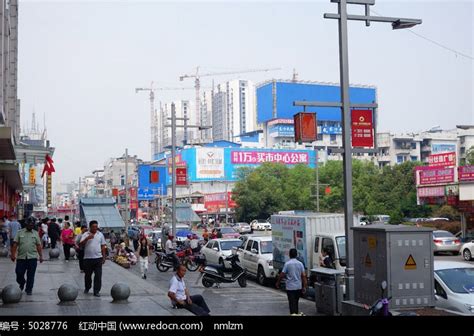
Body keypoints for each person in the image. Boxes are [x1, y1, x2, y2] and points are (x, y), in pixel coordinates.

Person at [10, 217, 43, 295]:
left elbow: (38, 245)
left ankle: (29, 289)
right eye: (29, 224)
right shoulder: (20, 232)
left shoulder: (35, 233)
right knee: (18, 272)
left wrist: (41, 256)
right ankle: (22, 282)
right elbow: (15, 244)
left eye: (32, 225)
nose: (31, 226)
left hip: (32, 258)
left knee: (31, 275)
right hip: (21, 257)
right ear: (26, 224)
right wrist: (13, 254)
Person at [275, 248, 308, 316]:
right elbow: (304, 276)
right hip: (298, 287)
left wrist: (278, 282)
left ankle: (293, 314)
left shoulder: (287, 264)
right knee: (296, 303)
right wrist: (304, 286)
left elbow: (282, 274)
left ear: (289, 255)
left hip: (290, 287)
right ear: (296, 255)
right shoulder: (300, 264)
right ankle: (296, 313)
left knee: (291, 303)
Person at [80, 220, 107, 297]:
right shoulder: (85, 234)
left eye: (96, 226)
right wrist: (87, 238)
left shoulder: (100, 234)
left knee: (98, 275)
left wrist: (104, 257)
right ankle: (87, 287)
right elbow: (81, 245)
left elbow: (103, 246)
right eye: (93, 227)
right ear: (90, 227)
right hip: (87, 258)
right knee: (88, 275)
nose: (95, 228)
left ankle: (96, 291)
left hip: (98, 258)